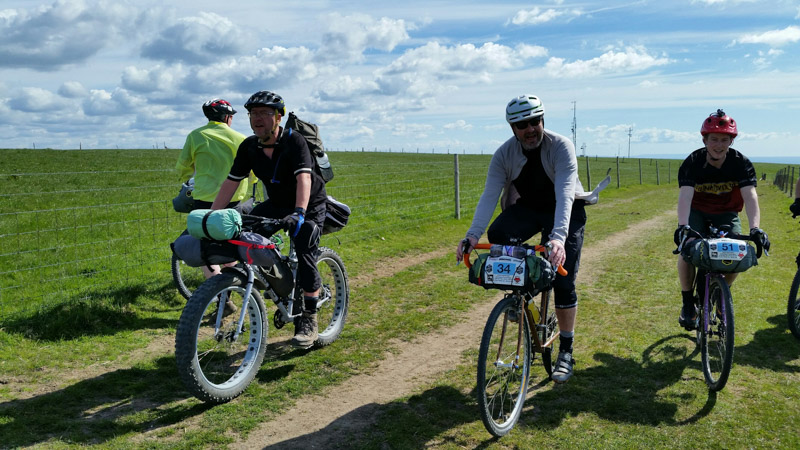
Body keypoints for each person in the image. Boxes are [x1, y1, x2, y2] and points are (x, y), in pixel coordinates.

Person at [455, 94, 594, 384]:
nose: (529, 129)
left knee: (563, 278)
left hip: (567, 209)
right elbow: (489, 195)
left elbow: (566, 192)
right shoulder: (503, 155)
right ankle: (526, 295)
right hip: (531, 207)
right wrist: (471, 235)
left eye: (535, 121)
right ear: (512, 128)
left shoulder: (561, 147)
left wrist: (557, 239)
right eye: (522, 125)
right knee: (499, 234)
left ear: (543, 120)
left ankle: (566, 350)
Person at [211, 90, 327, 349]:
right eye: (253, 114)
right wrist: (213, 215)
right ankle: (276, 282)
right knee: (243, 232)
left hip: (308, 203)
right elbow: (231, 183)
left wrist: (298, 212)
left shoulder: (294, 141)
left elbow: (304, 179)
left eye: (264, 113)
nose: (257, 119)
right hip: (276, 203)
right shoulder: (249, 146)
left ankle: (309, 318)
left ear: (278, 117)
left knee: (306, 249)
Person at [675, 109, 770, 329]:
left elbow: (750, 195)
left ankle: (719, 293)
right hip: (697, 211)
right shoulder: (693, 161)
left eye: (724, 140)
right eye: (714, 139)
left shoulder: (740, 163)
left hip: (726, 213)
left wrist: (755, 227)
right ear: (705, 140)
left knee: (738, 250)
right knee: (687, 250)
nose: (719, 145)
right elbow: (685, 196)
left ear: (731, 141)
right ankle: (688, 302)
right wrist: (683, 227)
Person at [176, 98, 252, 279]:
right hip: (232, 199)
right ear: (226, 117)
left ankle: (219, 292)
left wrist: (189, 176)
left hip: (203, 199)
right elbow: (252, 172)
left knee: (206, 243)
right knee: (230, 240)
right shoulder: (240, 138)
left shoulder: (195, 136)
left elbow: (183, 166)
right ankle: (230, 282)